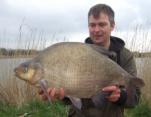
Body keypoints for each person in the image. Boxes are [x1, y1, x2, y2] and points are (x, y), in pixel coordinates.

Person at [39, 4, 141, 117]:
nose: (96, 30)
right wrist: (61, 96)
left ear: (112, 26)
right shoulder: (76, 54)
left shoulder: (125, 56)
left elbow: (134, 100)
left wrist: (121, 96)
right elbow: (71, 98)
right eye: (92, 25)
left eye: (102, 24)